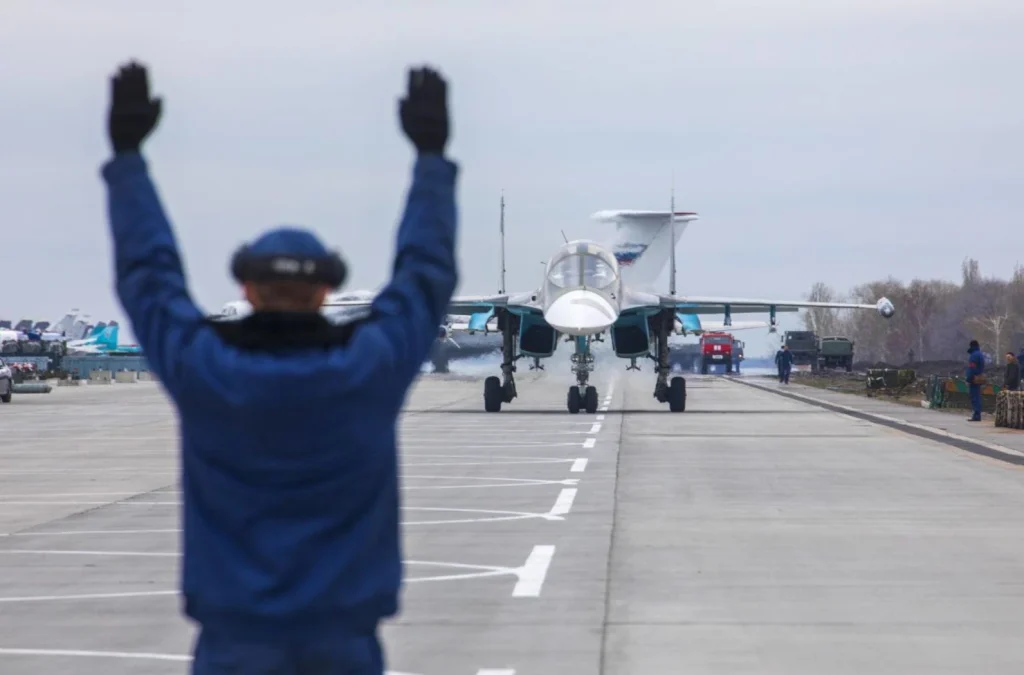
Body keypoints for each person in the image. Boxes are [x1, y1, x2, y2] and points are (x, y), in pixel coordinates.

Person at [101, 61, 458, 674]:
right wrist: (431, 159)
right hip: (343, 644)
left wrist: (128, 159)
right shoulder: (368, 369)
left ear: (245, 285)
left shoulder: (206, 370)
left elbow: (148, 278)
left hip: (233, 645)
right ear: (325, 293)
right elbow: (424, 275)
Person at [966, 339, 986, 421]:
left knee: (974, 397)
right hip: (979, 378)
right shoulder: (980, 354)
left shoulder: (973, 355)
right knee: (977, 396)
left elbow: (971, 368)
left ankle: (976, 415)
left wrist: (969, 378)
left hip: (974, 379)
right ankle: (977, 414)